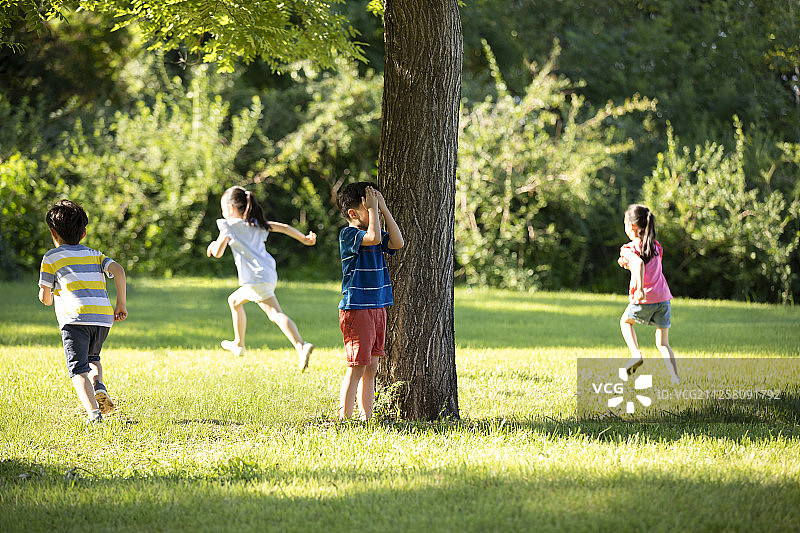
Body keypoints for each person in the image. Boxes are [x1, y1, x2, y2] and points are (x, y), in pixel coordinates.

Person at [207, 185, 316, 371]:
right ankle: (239, 345)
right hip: (267, 273)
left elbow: (217, 252)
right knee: (234, 300)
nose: (223, 213)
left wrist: (211, 245)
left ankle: (300, 345)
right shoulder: (256, 224)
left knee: (275, 313)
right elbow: (283, 227)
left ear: (231, 209)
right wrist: (304, 239)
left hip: (255, 278)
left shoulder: (229, 227)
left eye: (223, 208)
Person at [38, 199, 128, 424]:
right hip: (102, 318)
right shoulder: (95, 254)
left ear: (53, 233)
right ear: (84, 233)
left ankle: (94, 415)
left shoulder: (51, 257)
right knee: (93, 358)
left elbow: (45, 298)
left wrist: (47, 295)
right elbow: (118, 270)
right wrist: (121, 304)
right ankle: (99, 386)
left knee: (78, 369)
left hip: (74, 319)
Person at [336, 182, 404, 420]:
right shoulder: (350, 235)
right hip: (357, 309)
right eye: (368, 207)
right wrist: (375, 211)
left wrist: (382, 209)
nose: (373, 209)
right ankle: (345, 419)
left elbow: (397, 242)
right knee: (357, 366)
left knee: (372, 367)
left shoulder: (374, 230)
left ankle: (367, 417)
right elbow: (373, 238)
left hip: (377, 307)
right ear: (353, 213)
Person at [618, 204, 680, 384]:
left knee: (625, 322)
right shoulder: (656, 247)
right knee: (663, 343)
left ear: (631, 227)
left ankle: (636, 354)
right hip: (663, 298)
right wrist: (627, 264)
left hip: (645, 298)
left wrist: (640, 289)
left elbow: (639, 264)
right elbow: (651, 266)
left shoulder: (628, 249)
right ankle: (675, 377)